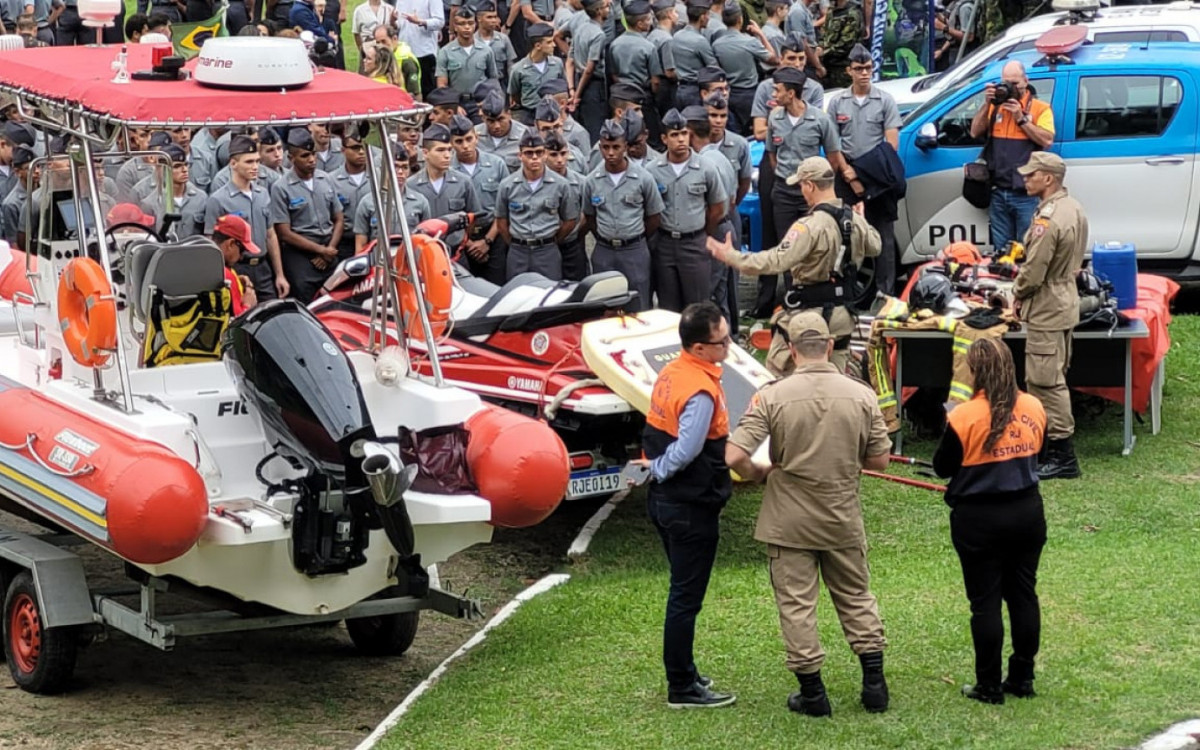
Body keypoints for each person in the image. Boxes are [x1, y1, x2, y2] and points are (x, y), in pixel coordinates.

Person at [725, 310, 891, 718]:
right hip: (841, 515)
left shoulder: (772, 394)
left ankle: (813, 693)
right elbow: (881, 461)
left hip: (789, 520)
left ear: (792, 350)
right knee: (856, 596)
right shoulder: (862, 394)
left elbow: (733, 455)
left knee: (797, 605)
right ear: (829, 346)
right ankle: (874, 684)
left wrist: (760, 473)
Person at [932, 338, 1047, 705]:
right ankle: (1023, 675)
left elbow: (942, 467)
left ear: (975, 371)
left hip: (978, 519)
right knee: (1023, 594)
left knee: (985, 603)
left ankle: (989, 685)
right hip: (1027, 513)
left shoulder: (963, 416)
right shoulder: (1033, 406)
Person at [632, 301, 736, 709]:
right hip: (690, 505)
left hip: (666, 503)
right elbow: (687, 450)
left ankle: (686, 673)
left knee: (682, 592)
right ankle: (682, 686)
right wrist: (658, 469)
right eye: (721, 341)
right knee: (685, 599)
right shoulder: (700, 390)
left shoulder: (673, 372)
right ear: (697, 348)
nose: (728, 345)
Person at [708, 156, 879, 377]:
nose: (801, 192)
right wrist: (862, 220)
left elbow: (775, 261)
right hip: (842, 316)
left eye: (801, 185)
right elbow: (876, 246)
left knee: (779, 373)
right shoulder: (852, 220)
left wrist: (731, 256)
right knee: (834, 378)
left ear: (810, 185)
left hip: (807, 315)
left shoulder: (808, 227)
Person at [1012, 151, 1086, 480]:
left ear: (1049, 178)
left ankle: (1061, 455)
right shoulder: (1072, 208)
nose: (1025, 179)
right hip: (1064, 299)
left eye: (1032, 175)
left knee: (1045, 382)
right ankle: (1051, 448)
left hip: (1047, 305)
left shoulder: (1049, 218)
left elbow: (1034, 269)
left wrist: (1016, 293)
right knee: (1053, 375)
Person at [824, 44, 903, 297]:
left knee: (883, 240)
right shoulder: (837, 102)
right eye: (859, 69)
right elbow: (833, 145)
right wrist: (848, 173)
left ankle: (885, 295)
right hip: (846, 174)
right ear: (849, 71)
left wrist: (861, 176)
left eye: (868, 68)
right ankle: (845, 295)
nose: (864, 73)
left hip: (878, 177)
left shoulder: (885, 100)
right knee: (844, 238)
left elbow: (891, 145)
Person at [969, 60, 1054, 253]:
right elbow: (975, 132)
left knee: (1028, 250)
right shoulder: (996, 106)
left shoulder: (1040, 109)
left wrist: (1021, 118)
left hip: (1026, 193)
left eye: (1015, 83)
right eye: (1006, 83)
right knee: (1001, 252)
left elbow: (1047, 140)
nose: (1010, 88)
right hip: (998, 190)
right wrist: (987, 103)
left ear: (1026, 80)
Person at [649, 108, 727, 312]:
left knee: (698, 306)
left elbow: (718, 207)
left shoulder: (705, 168)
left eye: (684, 133)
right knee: (668, 308)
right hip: (665, 243)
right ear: (664, 139)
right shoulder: (652, 170)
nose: (681, 139)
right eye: (674, 135)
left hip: (694, 243)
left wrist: (703, 233)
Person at [582, 118, 663, 312]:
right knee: (603, 307)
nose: (610, 153)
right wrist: (604, 236)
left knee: (638, 304)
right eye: (606, 147)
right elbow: (590, 217)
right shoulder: (592, 181)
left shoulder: (643, 178)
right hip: (604, 250)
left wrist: (637, 237)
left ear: (625, 146)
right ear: (600, 147)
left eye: (616, 147)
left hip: (634, 249)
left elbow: (654, 217)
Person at [205, 134, 289, 301]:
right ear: (233, 164)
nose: (255, 166)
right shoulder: (218, 199)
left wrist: (280, 274)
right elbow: (211, 242)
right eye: (249, 162)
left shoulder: (263, 194)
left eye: (257, 161)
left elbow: (270, 235)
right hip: (237, 267)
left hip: (263, 267)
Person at [269, 128, 343, 303]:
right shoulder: (281, 187)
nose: (311, 160)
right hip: (301, 255)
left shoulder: (325, 179)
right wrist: (320, 251)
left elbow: (339, 219)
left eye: (313, 154)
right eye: (304, 156)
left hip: (328, 249)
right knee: (306, 305)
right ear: (291, 158)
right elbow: (284, 232)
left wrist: (328, 250)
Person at [495, 131, 579, 280]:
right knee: (517, 294)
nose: (534, 157)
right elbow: (501, 222)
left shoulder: (561, 185)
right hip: (518, 251)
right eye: (529, 153)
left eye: (539, 152)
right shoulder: (507, 185)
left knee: (549, 295)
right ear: (520, 156)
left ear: (545, 154)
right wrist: (516, 242)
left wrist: (552, 240)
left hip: (547, 250)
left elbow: (570, 220)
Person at [449, 113, 508, 283]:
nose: (465, 146)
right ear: (451, 144)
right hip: (460, 241)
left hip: (494, 235)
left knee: (497, 288)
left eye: (469, 139)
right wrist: (468, 244)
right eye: (459, 142)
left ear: (477, 137)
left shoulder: (497, 165)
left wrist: (487, 241)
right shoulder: (447, 171)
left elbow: (504, 207)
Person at [408, 123, 483, 253]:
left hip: (456, 253)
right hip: (424, 253)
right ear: (425, 153)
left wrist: (462, 240)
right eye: (440, 150)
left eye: (449, 150)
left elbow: (472, 217)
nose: (447, 155)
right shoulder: (411, 186)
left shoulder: (463, 182)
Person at [711, 1, 777, 136]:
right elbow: (774, 59)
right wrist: (760, 34)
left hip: (729, 94)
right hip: (749, 94)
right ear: (740, 20)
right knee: (751, 134)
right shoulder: (749, 42)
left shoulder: (717, 44)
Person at [353, 142, 431, 253]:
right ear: (384, 168)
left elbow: (425, 242)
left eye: (404, 167)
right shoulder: (368, 202)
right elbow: (360, 246)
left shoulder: (420, 202)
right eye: (395, 166)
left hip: (408, 263)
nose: (400, 172)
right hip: (378, 263)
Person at [437, 8, 498, 121]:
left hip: (479, 102)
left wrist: (489, 102)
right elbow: (442, 85)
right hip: (457, 102)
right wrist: (453, 105)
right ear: (455, 27)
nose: (467, 27)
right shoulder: (445, 52)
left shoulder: (486, 51)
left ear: (475, 24)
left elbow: (493, 80)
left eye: (470, 23)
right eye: (462, 24)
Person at [564, 0, 609, 143]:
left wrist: (572, 89)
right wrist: (576, 96)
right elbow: (590, 69)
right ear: (599, 11)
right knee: (594, 129)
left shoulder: (580, 29)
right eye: (606, 7)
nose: (609, 9)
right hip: (591, 86)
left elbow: (570, 60)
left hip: (578, 80)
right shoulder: (598, 34)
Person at [507, 22, 564, 126]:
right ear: (538, 46)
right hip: (529, 116)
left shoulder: (557, 64)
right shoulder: (518, 69)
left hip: (553, 115)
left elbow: (561, 87)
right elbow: (515, 95)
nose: (554, 45)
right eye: (549, 42)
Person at [330, 129, 371, 259]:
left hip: (373, 240)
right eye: (355, 148)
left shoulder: (378, 178)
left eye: (364, 147)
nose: (361, 152)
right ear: (343, 151)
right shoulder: (331, 180)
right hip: (344, 243)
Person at [670, 0, 716, 109]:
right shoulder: (700, 41)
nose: (709, 18)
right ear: (702, 17)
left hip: (680, 89)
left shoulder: (676, 36)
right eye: (708, 14)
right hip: (695, 91)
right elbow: (713, 68)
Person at [213, 214, 262, 315]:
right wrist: (248, 305)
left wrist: (238, 281)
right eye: (242, 250)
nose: (241, 257)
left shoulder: (205, 264)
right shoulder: (226, 275)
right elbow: (236, 323)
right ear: (231, 244)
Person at [820, 0, 863, 90]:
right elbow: (824, 34)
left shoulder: (853, 13)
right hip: (829, 66)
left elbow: (846, 44)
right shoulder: (832, 11)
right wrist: (819, 47)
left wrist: (823, 53)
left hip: (843, 68)